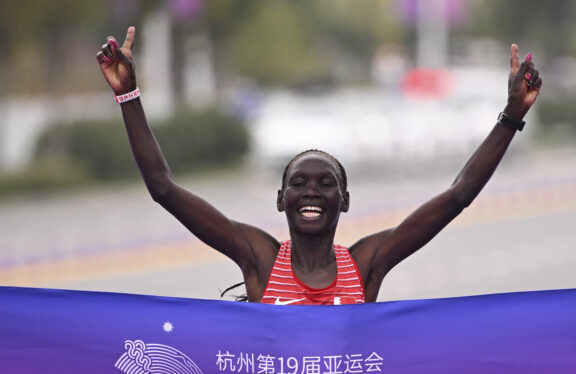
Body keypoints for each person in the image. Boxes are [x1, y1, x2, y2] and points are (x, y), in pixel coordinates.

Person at [96, 27, 542, 305]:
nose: (311, 191)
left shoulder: (367, 264)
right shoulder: (260, 260)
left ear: (344, 201)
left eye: (326, 184)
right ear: (280, 199)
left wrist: (512, 115)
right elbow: (163, 189)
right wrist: (127, 95)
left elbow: (457, 196)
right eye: (299, 183)